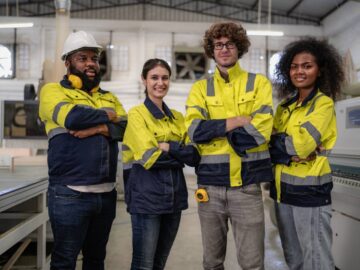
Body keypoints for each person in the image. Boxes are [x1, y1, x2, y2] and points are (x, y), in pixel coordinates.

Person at [185, 22, 274, 270]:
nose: (224, 49)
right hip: (210, 189)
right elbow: (194, 131)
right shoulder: (200, 89)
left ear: (239, 47)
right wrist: (237, 122)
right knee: (212, 263)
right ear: (212, 50)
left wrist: (215, 130)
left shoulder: (259, 84)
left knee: (252, 264)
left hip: (247, 188)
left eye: (229, 44)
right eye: (218, 45)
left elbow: (261, 131)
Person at [39, 31, 127, 270]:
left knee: (96, 260)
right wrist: (108, 117)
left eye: (94, 58)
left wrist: (97, 128)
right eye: (82, 58)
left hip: (106, 194)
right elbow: (73, 118)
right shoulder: (52, 91)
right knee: (64, 261)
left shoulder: (109, 96)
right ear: (68, 62)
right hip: (69, 193)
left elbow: (127, 127)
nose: (90, 63)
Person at [269, 37, 345, 270]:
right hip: (282, 193)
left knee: (317, 260)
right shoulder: (284, 107)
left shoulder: (322, 104)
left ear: (320, 70)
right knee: (294, 259)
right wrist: (284, 147)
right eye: (294, 66)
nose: (299, 71)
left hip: (310, 193)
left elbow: (300, 146)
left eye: (307, 65)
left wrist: (283, 146)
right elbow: (270, 146)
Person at [122, 58, 200, 270]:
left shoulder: (177, 118)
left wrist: (169, 147)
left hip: (174, 201)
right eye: (154, 77)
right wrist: (179, 154)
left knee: (159, 264)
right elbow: (151, 159)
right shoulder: (137, 115)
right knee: (143, 265)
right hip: (146, 201)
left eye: (165, 78)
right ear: (144, 80)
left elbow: (194, 156)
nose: (160, 83)